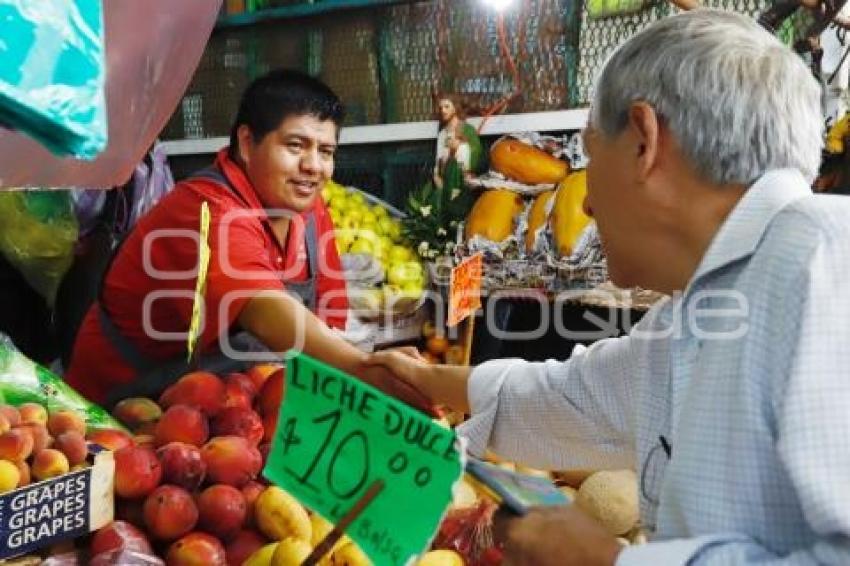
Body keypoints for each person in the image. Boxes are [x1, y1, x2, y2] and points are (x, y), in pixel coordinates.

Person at [368, 10, 850, 565]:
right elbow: (573, 398)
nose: (588, 202)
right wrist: (426, 380)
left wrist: (607, 561)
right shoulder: (707, 305)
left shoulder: (824, 263)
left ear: (644, 141)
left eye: (593, 158)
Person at [66, 69, 426, 410]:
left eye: (326, 151)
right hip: (121, 406)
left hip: (220, 404)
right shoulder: (207, 209)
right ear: (247, 142)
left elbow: (328, 320)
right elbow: (265, 309)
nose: (314, 166)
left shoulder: (312, 214)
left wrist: (364, 373)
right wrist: (364, 367)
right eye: (296, 145)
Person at [433, 95, 482, 190]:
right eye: (440, 108)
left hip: (463, 180)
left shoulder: (467, 129)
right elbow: (438, 157)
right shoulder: (442, 134)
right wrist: (436, 175)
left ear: (455, 109)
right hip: (445, 182)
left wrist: (460, 146)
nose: (443, 111)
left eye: (447, 107)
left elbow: (477, 152)